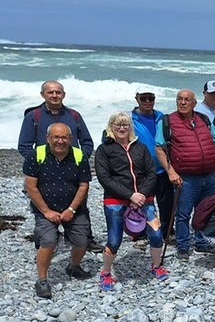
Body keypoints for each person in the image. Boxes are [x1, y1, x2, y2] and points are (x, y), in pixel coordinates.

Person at [18, 80, 101, 253]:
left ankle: (86, 239)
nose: (54, 95)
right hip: (43, 171)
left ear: (64, 94)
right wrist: (38, 163)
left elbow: (86, 142)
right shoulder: (33, 116)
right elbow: (24, 146)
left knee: (80, 206)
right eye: (50, 92)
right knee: (42, 206)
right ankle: (44, 244)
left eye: (58, 92)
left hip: (72, 170)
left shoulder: (74, 115)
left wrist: (79, 160)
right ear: (43, 95)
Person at [93, 113, 169, 291]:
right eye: (117, 125)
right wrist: (130, 195)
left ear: (130, 127)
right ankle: (105, 273)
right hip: (115, 200)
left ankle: (156, 266)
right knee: (114, 239)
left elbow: (151, 173)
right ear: (111, 126)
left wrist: (140, 194)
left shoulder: (140, 148)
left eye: (125, 125)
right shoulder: (104, 150)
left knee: (157, 234)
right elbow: (105, 178)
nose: (121, 128)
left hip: (144, 199)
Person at [24, 123, 92, 298]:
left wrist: (71, 209)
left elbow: (84, 186)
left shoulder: (78, 156)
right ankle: (42, 279)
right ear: (48, 138)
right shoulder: (36, 155)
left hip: (74, 209)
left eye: (64, 137)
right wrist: (47, 212)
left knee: (82, 240)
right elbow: (31, 187)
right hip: (45, 210)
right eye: (56, 137)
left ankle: (74, 267)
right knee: (49, 241)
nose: (60, 141)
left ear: (70, 139)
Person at [155, 89, 215, 260]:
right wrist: (170, 172)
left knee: (204, 210)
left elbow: (214, 143)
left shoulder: (203, 119)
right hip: (186, 176)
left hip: (210, 175)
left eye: (186, 100)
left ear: (194, 103)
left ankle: (201, 242)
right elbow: (159, 148)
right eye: (180, 99)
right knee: (183, 213)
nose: (182, 102)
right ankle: (183, 246)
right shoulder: (167, 121)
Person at [131, 90, 174, 236]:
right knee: (142, 203)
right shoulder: (129, 119)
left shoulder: (161, 117)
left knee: (167, 203)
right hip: (141, 170)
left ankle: (167, 231)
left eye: (151, 98)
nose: (147, 101)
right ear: (137, 99)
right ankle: (140, 233)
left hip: (162, 168)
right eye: (144, 98)